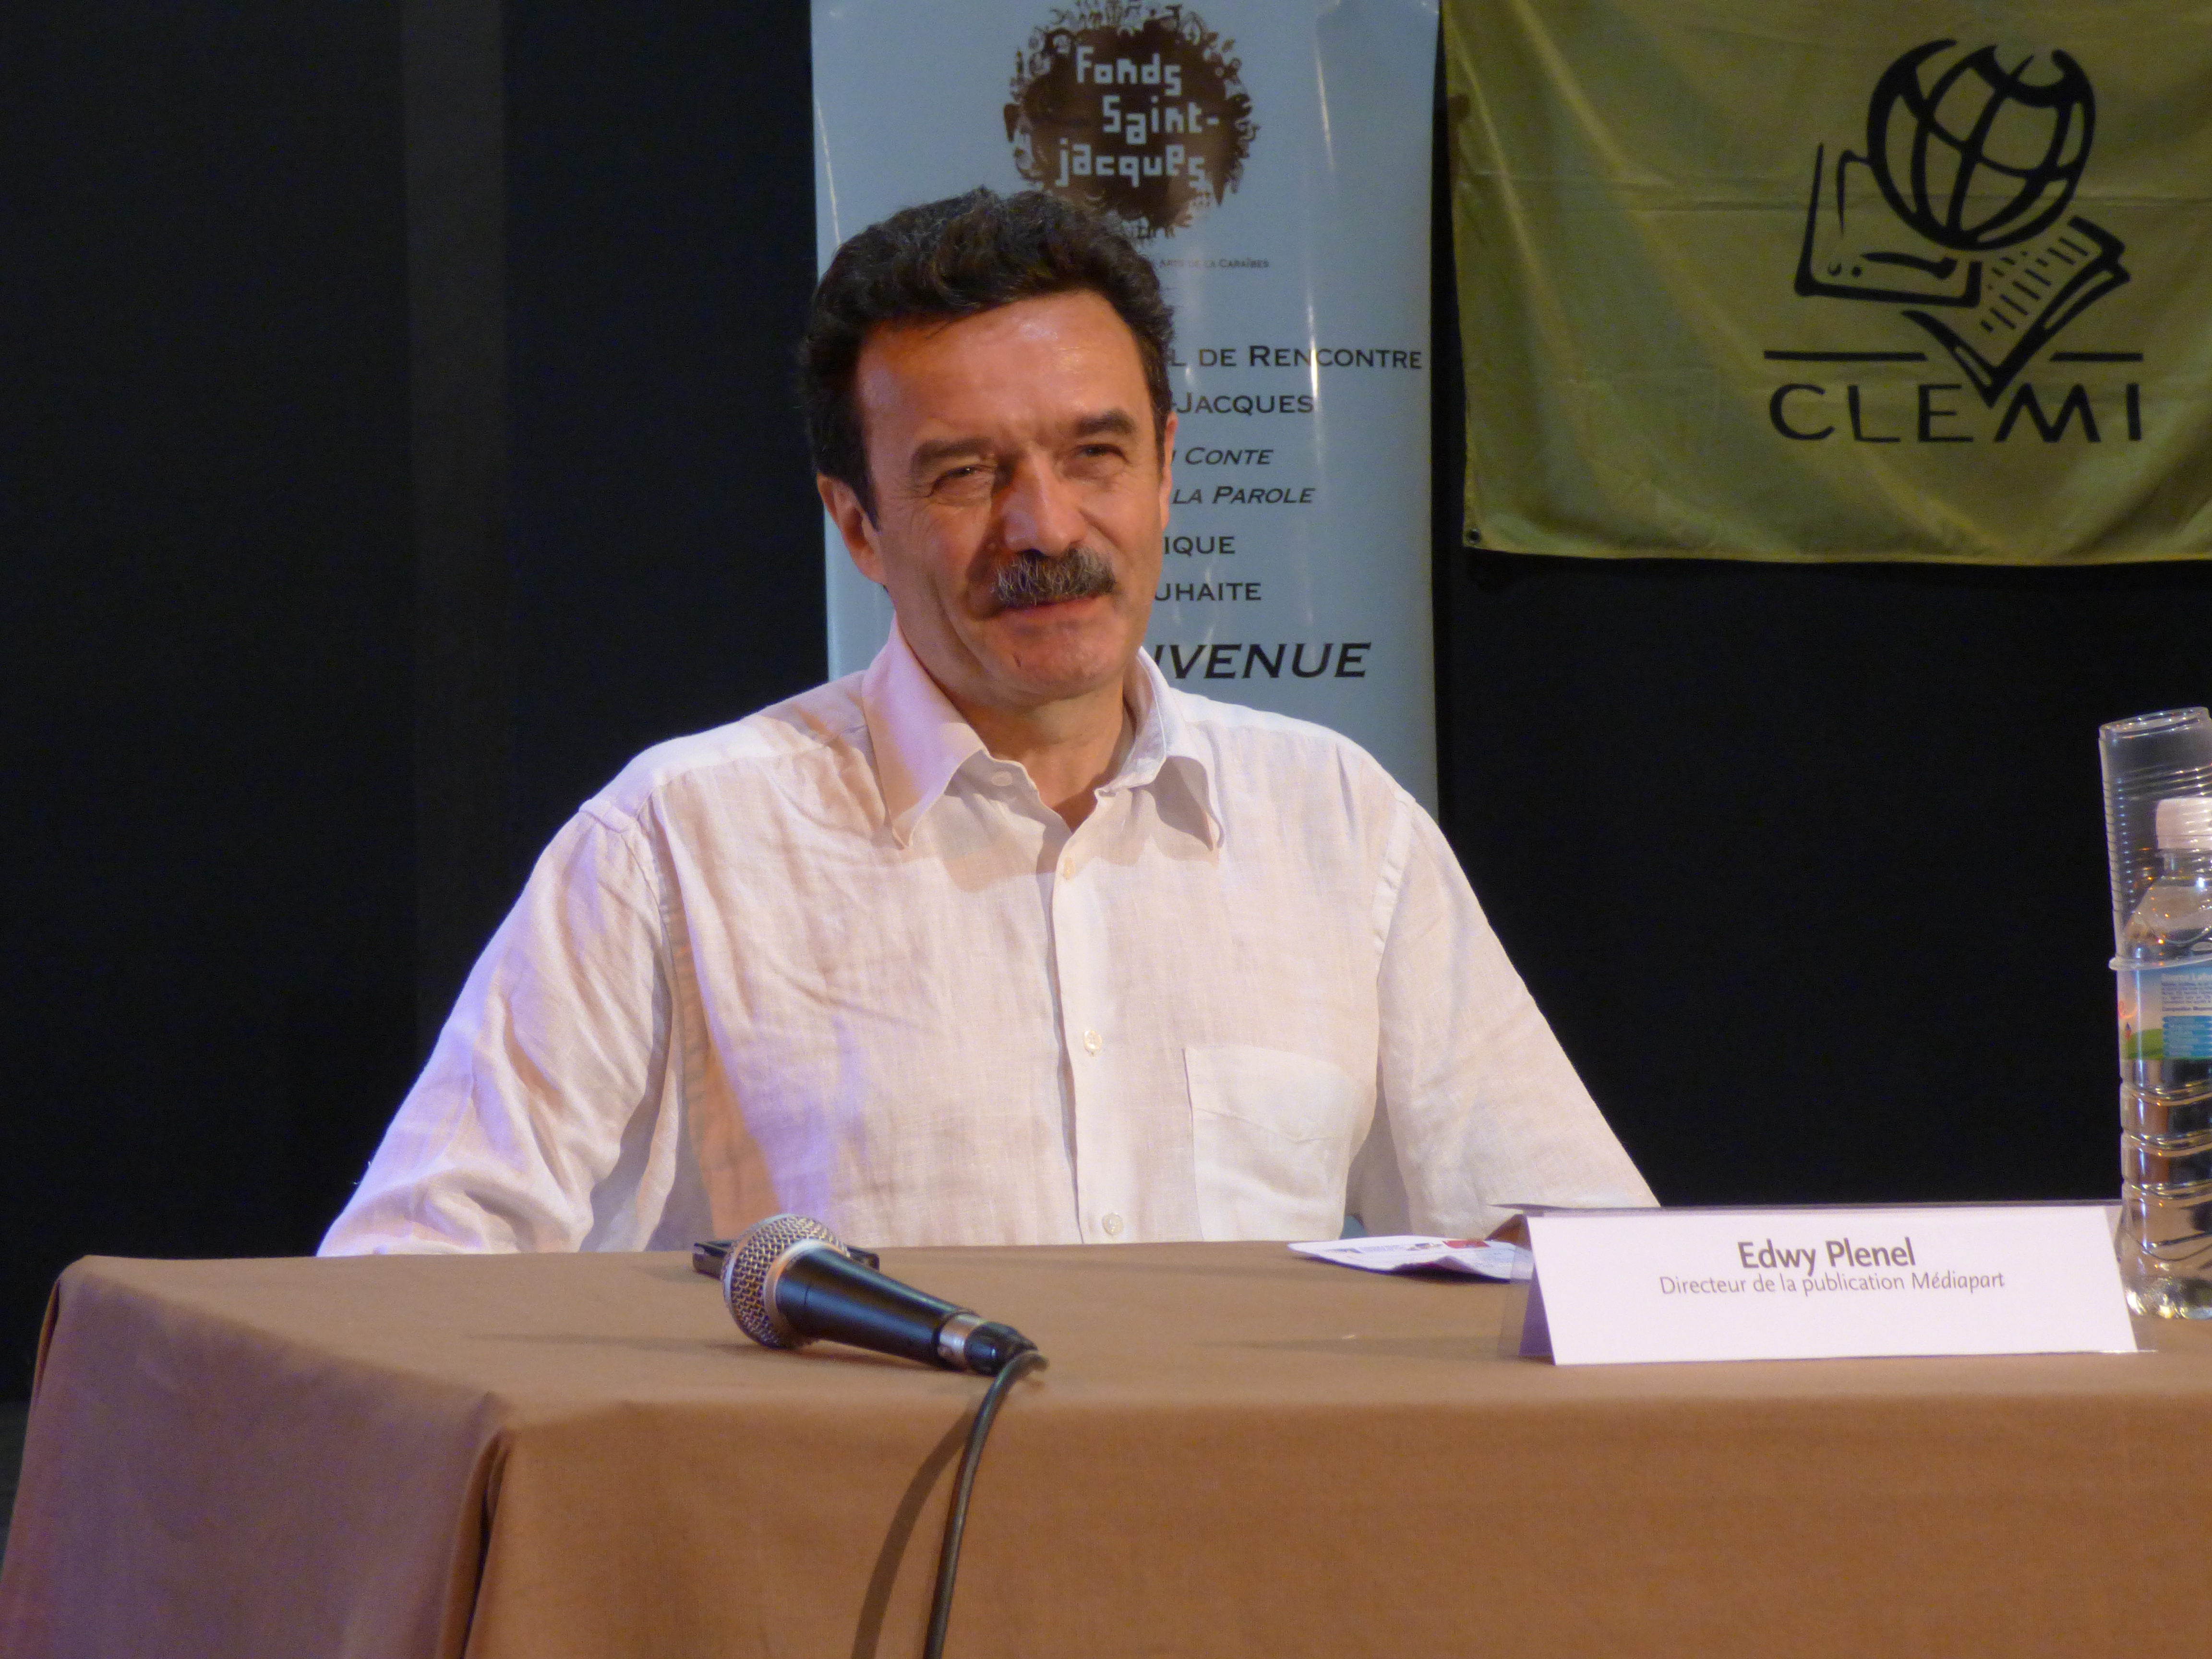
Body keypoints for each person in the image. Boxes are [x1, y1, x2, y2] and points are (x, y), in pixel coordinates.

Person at [321, 189, 1652, 1256]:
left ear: (1168, 470)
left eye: (1095, 456)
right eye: (965, 474)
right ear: (858, 525)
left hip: (1246, 1524)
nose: (1046, 528)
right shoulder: (674, 844)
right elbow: (406, 1282)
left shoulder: (1337, 822)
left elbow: (1586, 1259)